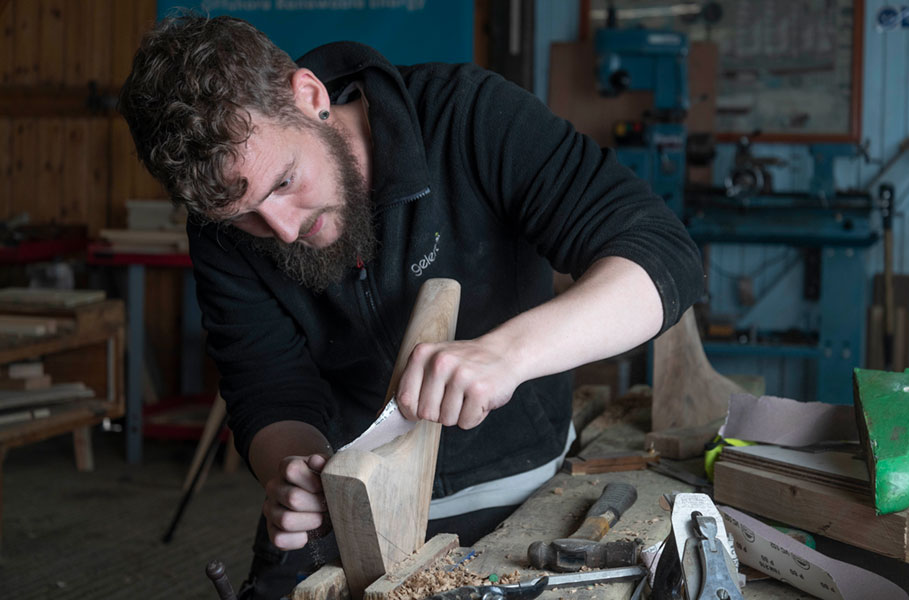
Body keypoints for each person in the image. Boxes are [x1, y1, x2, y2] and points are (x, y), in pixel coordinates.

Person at [118, 13, 703, 600]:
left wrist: (507, 354)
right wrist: (290, 469)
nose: (282, 230)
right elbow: (266, 387)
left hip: (518, 493)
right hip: (353, 516)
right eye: (243, 217)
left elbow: (662, 257)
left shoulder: (467, 115)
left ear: (310, 96)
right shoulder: (225, 225)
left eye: (283, 183)